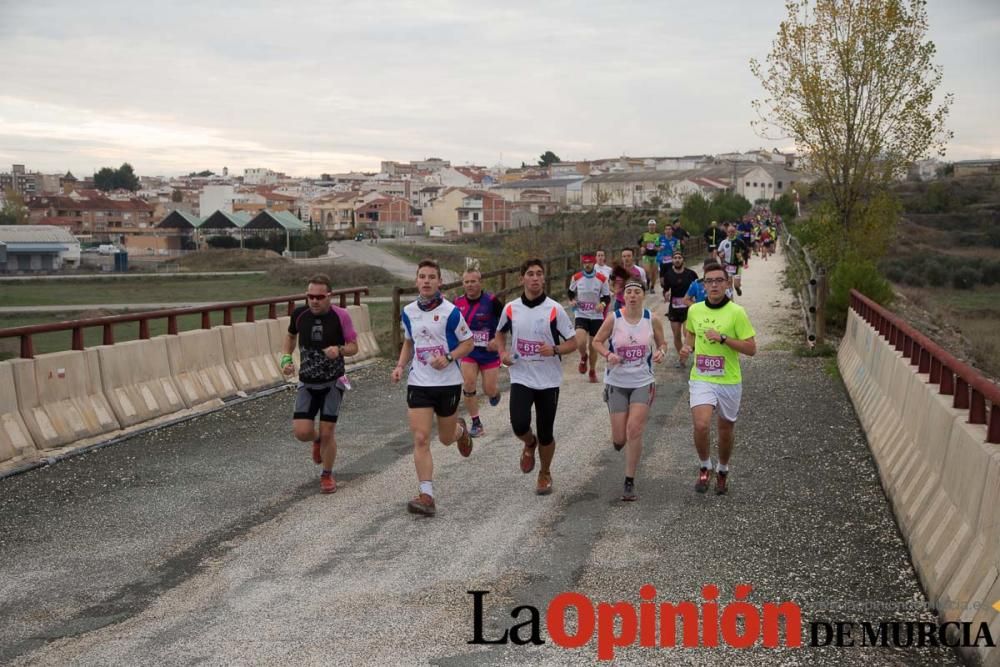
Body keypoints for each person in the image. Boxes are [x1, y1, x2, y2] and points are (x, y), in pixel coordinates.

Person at [391, 259, 476, 517]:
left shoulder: (451, 312)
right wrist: (400, 366)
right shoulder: (408, 311)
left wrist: (450, 357)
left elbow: (469, 343)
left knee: (446, 438)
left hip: (448, 383)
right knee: (420, 438)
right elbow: (409, 341)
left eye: (431, 277)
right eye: (422, 276)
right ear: (416, 281)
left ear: (439, 282)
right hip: (419, 382)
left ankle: (460, 431)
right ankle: (427, 494)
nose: (426, 281)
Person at [495, 259, 577, 496]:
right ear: (522, 279)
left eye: (539, 274)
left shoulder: (554, 309)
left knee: (546, 431)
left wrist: (555, 350)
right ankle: (529, 443)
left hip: (548, 380)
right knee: (519, 424)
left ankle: (545, 472)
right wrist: (502, 353)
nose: (535, 278)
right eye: (530, 274)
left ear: (544, 279)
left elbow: (574, 342)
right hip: (521, 375)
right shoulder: (511, 308)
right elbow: (499, 333)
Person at [679, 262, 757, 495]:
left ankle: (723, 469)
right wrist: (687, 348)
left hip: (729, 380)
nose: (714, 285)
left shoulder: (736, 313)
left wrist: (723, 338)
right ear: (703, 286)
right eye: (709, 281)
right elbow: (691, 333)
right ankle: (705, 467)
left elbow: (751, 349)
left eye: (718, 281)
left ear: (726, 284)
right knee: (701, 425)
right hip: (702, 377)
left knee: (725, 430)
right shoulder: (694, 310)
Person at [280, 273, 359, 494]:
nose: (314, 301)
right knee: (301, 432)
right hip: (307, 382)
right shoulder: (299, 315)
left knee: (328, 432)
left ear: (329, 296)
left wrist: (340, 350)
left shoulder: (340, 316)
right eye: (310, 296)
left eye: (319, 297)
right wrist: (286, 359)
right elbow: (289, 337)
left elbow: (354, 346)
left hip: (333, 382)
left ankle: (327, 474)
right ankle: (316, 440)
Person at [592, 280, 667, 501]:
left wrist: (661, 352)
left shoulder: (651, 319)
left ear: (643, 295)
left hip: (643, 381)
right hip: (616, 381)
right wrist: (608, 355)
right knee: (619, 438)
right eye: (629, 292)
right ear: (623, 296)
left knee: (634, 430)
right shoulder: (614, 318)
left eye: (637, 292)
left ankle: (629, 481)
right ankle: (618, 438)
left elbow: (663, 344)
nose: (633, 295)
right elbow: (597, 341)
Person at [454, 268, 504, 438]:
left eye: (473, 281)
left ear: (480, 282)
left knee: (488, 389)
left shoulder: (492, 301)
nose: (469, 285)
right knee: (468, 384)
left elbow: (507, 322)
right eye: (466, 282)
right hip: (468, 352)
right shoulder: (457, 303)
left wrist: (497, 341)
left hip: (489, 353)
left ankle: (494, 393)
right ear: (463, 284)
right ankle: (476, 423)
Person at [568, 252, 612, 383]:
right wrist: (572, 301)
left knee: (593, 345)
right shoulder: (576, 277)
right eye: (585, 263)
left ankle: (592, 370)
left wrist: (602, 304)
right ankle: (583, 357)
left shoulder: (602, 278)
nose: (587, 265)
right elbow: (570, 293)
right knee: (580, 341)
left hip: (596, 315)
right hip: (581, 313)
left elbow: (607, 296)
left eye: (589, 263)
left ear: (593, 263)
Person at [660, 250, 699, 368]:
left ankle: (691, 349)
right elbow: (665, 290)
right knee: (676, 335)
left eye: (679, 257)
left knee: (687, 333)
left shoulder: (691, 274)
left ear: (683, 260)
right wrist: (666, 294)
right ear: (672, 260)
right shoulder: (668, 274)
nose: (677, 259)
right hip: (674, 308)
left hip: (688, 308)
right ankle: (681, 358)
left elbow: (697, 288)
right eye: (675, 258)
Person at [716, 224, 748, 298]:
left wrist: (745, 261)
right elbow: (718, 251)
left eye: (733, 231)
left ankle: (737, 289)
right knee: (729, 283)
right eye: (729, 232)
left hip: (737, 266)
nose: (731, 233)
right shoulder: (723, 242)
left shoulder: (740, 241)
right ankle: (731, 299)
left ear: (735, 232)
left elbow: (746, 251)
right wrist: (720, 254)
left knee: (736, 285)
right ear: (727, 233)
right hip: (728, 265)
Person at [638, 219, 661, 292]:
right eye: (650, 225)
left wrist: (658, 248)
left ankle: (652, 287)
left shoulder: (658, 235)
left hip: (655, 256)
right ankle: (648, 281)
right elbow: (639, 242)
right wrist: (641, 247)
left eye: (653, 225)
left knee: (654, 272)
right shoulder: (644, 235)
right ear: (648, 226)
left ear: (655, 226)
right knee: (647, 271)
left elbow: (661, 245)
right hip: (646, 255)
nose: (651, 227)